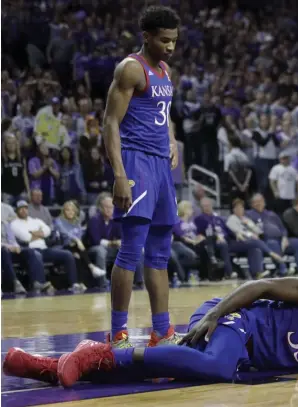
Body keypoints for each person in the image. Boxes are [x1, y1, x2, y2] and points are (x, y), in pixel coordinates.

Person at [3, 276, 298, 388]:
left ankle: (45, 366)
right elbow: (261, 286)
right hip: (238, 318)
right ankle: (99, 352)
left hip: (245, 354)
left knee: (170, 371)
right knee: (214, 367)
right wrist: (216, 315)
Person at [102, 6, 181, 348]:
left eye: (174, 41)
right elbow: (109, 123)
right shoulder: (131, 68)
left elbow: (164, 115)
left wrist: (173, 140)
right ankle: (118, 331)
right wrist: (119, 174)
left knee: (161, 252)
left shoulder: (164, 70)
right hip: (136, 163)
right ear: (146, 36)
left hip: (162, 164)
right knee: (131, 249)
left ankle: (161, 331)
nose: (170, 47)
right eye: (164, 40)